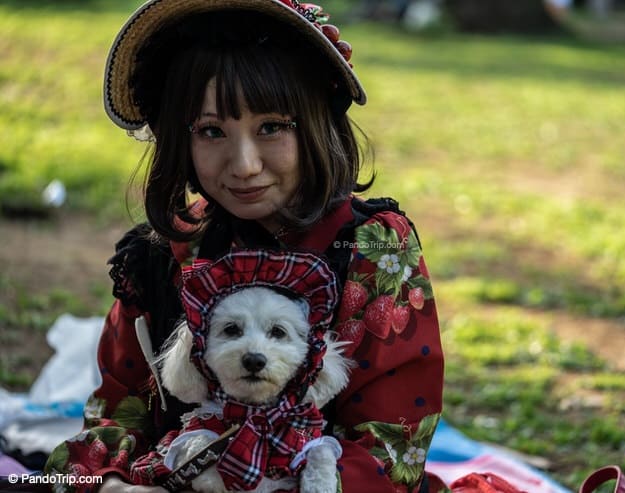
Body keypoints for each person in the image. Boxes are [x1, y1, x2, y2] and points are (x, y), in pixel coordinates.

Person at [43, 1, 444, 492]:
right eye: (211, 131)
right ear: (179, 140)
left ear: (318, 121)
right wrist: (107, 481)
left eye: (271, 127)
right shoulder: (165, 254)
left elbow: (391, 450)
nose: (245, 164)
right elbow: (116, 412)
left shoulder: (373, 247)